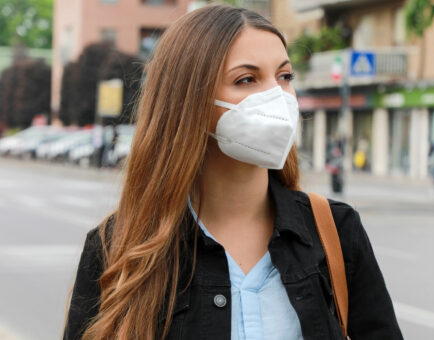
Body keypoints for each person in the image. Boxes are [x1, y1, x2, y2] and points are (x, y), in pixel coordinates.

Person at [63, 5, 402, 340]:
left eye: (284, 76)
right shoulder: (118, 246)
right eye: (246, 79)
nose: (276, 96)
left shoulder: (336, 232)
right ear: (188, 101)